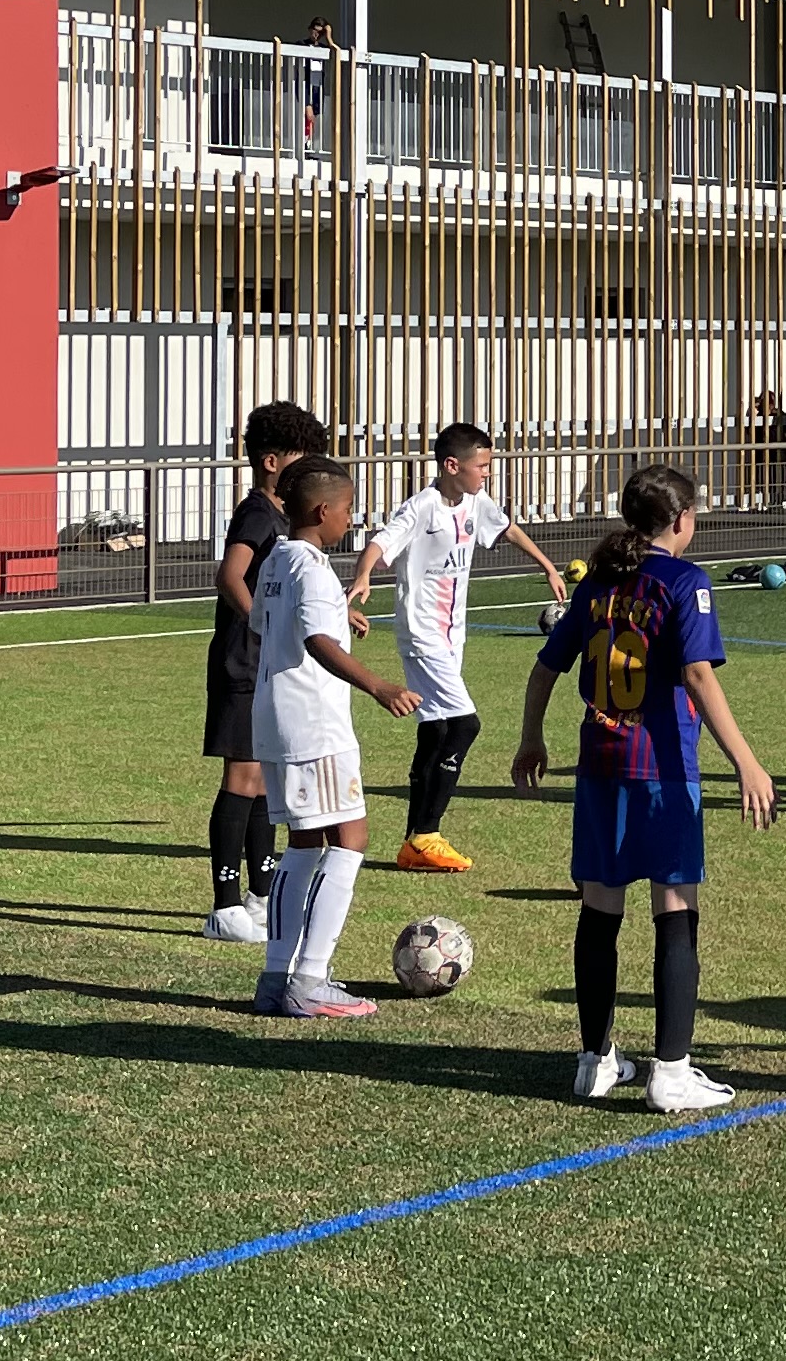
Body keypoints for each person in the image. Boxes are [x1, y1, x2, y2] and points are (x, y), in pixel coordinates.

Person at [514, 464, 776, 1114]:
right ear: (682, 520)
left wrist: (531, 739)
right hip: (660, 770)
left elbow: (547, 666)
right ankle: (672, 1071)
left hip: (599, 768)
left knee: (600, 912)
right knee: (675, 910)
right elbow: (697, 675)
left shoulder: (601, 579)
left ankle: (594, 1062)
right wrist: (746, 761)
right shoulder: (686, 581)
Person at [349, 422, 570, 875]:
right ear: (453, 466)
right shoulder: (422, 507)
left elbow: (507, 529)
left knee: (435, 729)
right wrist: (364, 576)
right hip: (423, 634)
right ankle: (428, 834)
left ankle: (414, 842)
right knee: (466, 725)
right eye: (482, 466)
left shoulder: (474, 503)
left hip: (453, 636)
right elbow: (379, 543)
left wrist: (547, 565)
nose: (487, 474)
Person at [249, 457, 423, 1019]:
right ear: (324, 511)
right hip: (314, 725)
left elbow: (270, 626)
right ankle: (312, 978)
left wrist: (338, 617)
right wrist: (376, 684)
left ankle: (277, 979)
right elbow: (318, 643)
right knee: (349, 842)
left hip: (273, 719)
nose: (351, 519)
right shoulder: (317, 569)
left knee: (303, 846)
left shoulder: (277, 559)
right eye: (348, 509)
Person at [197, 401, 327, 941]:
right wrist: (264, 627)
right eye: (303, 461)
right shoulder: (256, 512)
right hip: (242, 663)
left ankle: (260, 893)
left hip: (266, 666)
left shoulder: (283, 519)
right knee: (242, 779)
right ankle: (224, 907)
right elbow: (232, 577)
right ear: (272, 461)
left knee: (263, 783)